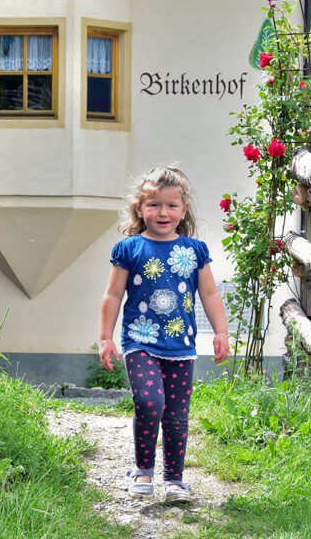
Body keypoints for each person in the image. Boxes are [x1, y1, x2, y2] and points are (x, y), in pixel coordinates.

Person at [99, 165, 229, 503]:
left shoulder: (194, 250)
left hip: (181, 347)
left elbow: (210, 294)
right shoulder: (129, 249)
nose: (163, 212)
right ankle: (143, 471)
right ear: (140, 208)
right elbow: (113, 295)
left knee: (176, 416)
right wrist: (105, 337)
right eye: (154, 204)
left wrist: (221, 332)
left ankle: (174, 481)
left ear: (183, 210)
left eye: (171, 205)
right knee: (149, 401)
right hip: (139, 341)